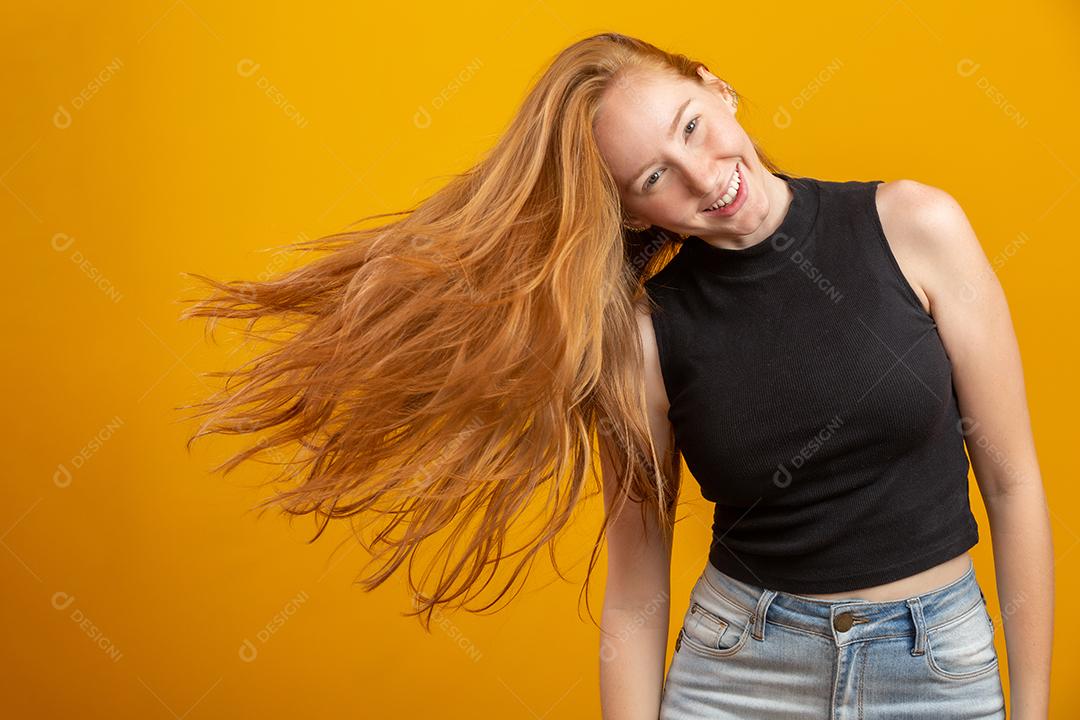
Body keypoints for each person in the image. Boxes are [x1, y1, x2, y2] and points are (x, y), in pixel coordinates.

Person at [178, 32, 1052, 719]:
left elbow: (1013, 484)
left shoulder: (915, 226)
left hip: (936, 662)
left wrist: (1035, 708)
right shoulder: (643, 333)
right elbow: (636, 594)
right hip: (741, 669)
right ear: (630, 209)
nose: (706, 177)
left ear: (716, 87)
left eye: (692, 126)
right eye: (655, 177)